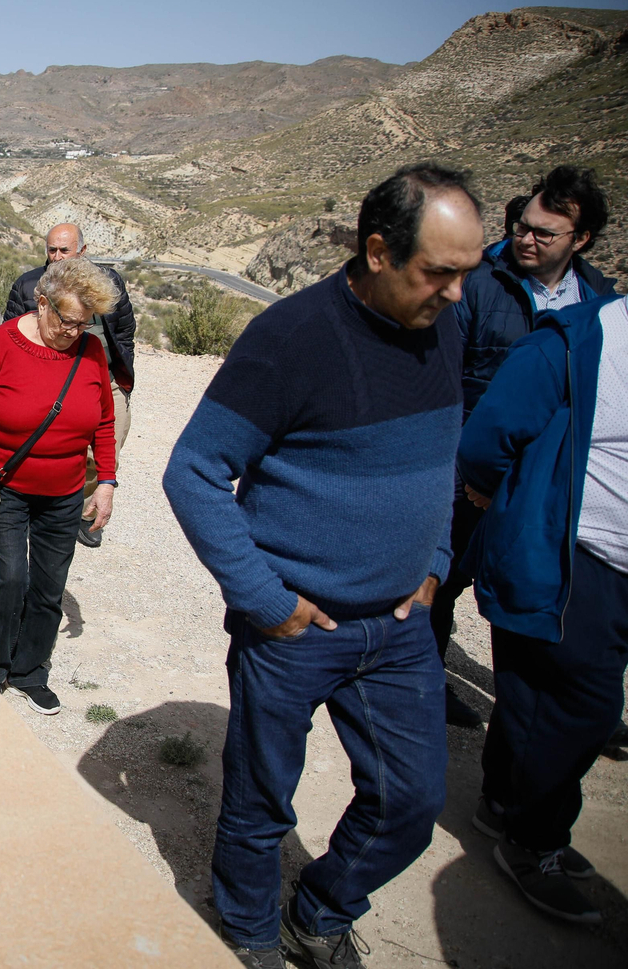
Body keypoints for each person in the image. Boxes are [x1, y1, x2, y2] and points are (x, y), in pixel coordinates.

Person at [163, 163, 484, 969]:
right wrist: (265, 600)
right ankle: (247, 927)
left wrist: (437, 557)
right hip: (296, 626)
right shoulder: (292, 339)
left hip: (404, 625)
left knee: (410, 802)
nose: (454, 293)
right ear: (378, 251)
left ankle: (323, 909)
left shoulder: (446, 318)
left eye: (465, 274)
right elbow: (194, 471)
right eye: (437, 272)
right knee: (262, 799)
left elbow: (443, 448)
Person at [457, 290, 626, 926]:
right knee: (585, 706)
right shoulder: (573, 341)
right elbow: (489, 439)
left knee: (532, 692)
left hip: (608, 566)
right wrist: (511, 503)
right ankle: (534, 842)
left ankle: (503, 806)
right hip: (570, 554)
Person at [432, 166, 613, 728]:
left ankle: (555, 704)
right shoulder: (477, 284)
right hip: (468, 467)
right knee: (444, 577)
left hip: (553, 478)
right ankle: (424, 683)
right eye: (521, 225)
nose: (526, 238)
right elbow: (441, 377)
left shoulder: (599, 299)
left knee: (540, 583)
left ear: (579, 240)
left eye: (543, 232)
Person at [0, 259, 118, 715]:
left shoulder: (90, 351)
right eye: (67, 320)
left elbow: (105, 422)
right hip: (7, 488)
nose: (75, 331)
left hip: (66, 492)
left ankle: (31, 673)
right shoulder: (1, 343)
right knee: (10, 579)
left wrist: (107, 482)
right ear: (42, 302)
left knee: (49, 588)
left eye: (84, 323)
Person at [3, 223, 135, 548]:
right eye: (52, 250)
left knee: (107, 451)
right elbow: (9, 334)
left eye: (65, 249)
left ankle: (86, 516)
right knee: (47, 449)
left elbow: (125, 329)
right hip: (51, 383)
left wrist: (122, 375)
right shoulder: (28, 285)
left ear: (83, 251)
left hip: (105, 379)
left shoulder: (109, 282)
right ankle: (43, 513)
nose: (58, 256)